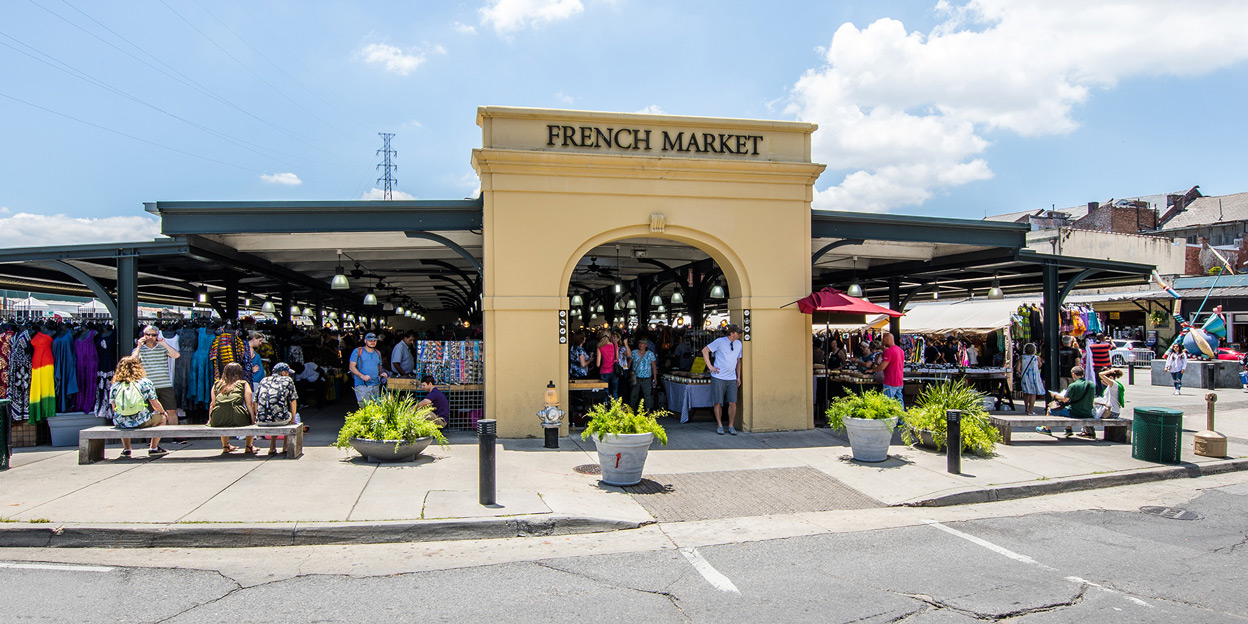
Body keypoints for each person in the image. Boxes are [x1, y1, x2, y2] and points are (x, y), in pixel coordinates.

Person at [108, 356, 171, 458]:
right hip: (142, 421)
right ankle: (153, 448)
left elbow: (114, 407)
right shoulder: (145, 382)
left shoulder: (115, 385)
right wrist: (163, 412)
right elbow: (155, 405)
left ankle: (127, 449)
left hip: (121, 422)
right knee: (162, 418)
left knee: (123, 417)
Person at [131, 324, 181, 432]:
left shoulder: (162, 348)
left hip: (164, 384)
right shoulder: (139, 350)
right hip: (147, 386)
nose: (150, 337)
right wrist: (139, 346)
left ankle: (175, 436)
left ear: (157, 336)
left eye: (153, 335)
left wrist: (164, 343)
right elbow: (132, 361)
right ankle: (149, 438)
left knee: (171, 410)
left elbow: (176, 355)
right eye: (147, 334)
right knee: (147, 412)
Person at [702, 324, 743, 435]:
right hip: (718, 377)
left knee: (733, 402)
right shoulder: (720, 342)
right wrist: (710, 367)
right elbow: (705, 350)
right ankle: (720, 425)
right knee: (718, 402)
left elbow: (738, 361)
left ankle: (731, 425)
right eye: (738, 332)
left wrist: (738, 376)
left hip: (732, 377)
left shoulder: (739, 344)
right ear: (731, 333)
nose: (739, 334)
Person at [209, 362, 256, 453]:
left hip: (218, 417)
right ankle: (249, 446)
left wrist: (210, 420)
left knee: (222, 411)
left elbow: (213, 405)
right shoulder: (243, 383)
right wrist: (253, 421)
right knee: (249, 419)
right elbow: (249, 404)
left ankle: (225, 446)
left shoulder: (217, 384)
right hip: (237, 415)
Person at [255, 362, 300, 455]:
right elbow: (293, 400)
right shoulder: (287, 380)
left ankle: (272, 446)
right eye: (288, 373)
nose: (289, 375)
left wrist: (257, 416)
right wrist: (293, 419)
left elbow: (255, 402)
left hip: (261, 419)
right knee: (284, 414)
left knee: (274, 412)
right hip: (280, 419)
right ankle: (285, 446)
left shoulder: (264, 380)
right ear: (283, 373)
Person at [1045, 365, 1095, 437]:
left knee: (1050, 409)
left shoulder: (1073, 385)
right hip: (1088, 412)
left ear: (1073, 374)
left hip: (1075, 412)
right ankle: (1068, 430)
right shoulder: (1091, 384)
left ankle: (1046, 429)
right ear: (1083, 374)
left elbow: (1065, 399)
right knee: (1067, 408)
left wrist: (1055, 396)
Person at [348, 332, 388, 404]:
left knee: (376, 408)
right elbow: (351, 367)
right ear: (365, 341)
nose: (372, 342)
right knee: (365, 407)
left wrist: (382, 373)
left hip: (376, 384)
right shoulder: (358, 351)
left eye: (374, 340)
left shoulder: (378, 353)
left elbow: (379, 366)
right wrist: (362, 376)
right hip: (362, 385)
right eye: (370, 340)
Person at [868, 332, 906, 406]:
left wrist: (873, 370)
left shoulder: (888, 351)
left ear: (888, 340)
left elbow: (882, 366)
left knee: (888, 402)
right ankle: (901, 417)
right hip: (899, 380)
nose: (882, 342)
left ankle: (889, 417)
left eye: (883, 340)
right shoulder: (900, 350)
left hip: (890, 381)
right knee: (899, 402)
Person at [629, 337, 657, 411]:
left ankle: (648, 411)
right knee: (633, 394)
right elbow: (629, 363)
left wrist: (655, 378)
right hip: (636, 377)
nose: (641, 345)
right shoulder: (634, 352)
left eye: (642, 343)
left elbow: (654, 366)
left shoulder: (650, 354)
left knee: (647, 395)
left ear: (646, 345)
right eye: (640, 343)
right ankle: (631, 409)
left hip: (646, 377)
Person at [1018, 343, 1046, 415]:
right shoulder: (1036, 358)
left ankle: (1026, 408)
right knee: (1033, 393)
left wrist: (1022, 372)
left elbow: (1018, 369)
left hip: (1025, 377)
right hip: (1034, 377)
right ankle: (1031, 410)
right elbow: (1040, 365)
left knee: (1026, 392)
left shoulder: (1022, 358)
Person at [596, 333, 619, 398]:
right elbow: (617, 359)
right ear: (610, 336)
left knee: (605, 392)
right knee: (615, 392)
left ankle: (605, 405)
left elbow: (598, 364)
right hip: (614, 371)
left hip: (604, 371)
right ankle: (616, 406)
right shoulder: (615, 345)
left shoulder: (599, 346)